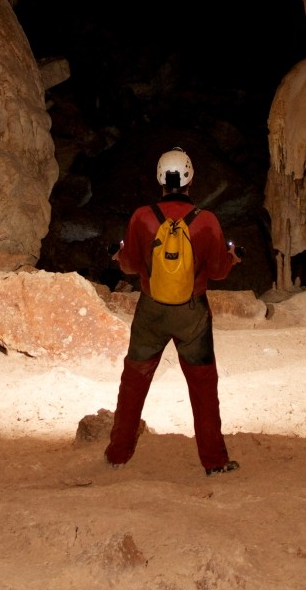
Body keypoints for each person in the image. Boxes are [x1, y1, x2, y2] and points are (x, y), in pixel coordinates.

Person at [105, 147, 241, 476]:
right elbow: (220, 270)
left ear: (160, 180)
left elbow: (130, 264)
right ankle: (214, 461)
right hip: (192, 312)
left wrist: (119, 256)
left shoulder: (143, 217)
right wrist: (233, 256)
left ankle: (118, 454)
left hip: (151, 310)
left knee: (134, 381)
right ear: (191, 179)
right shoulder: (206, 221)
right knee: (203, 386)